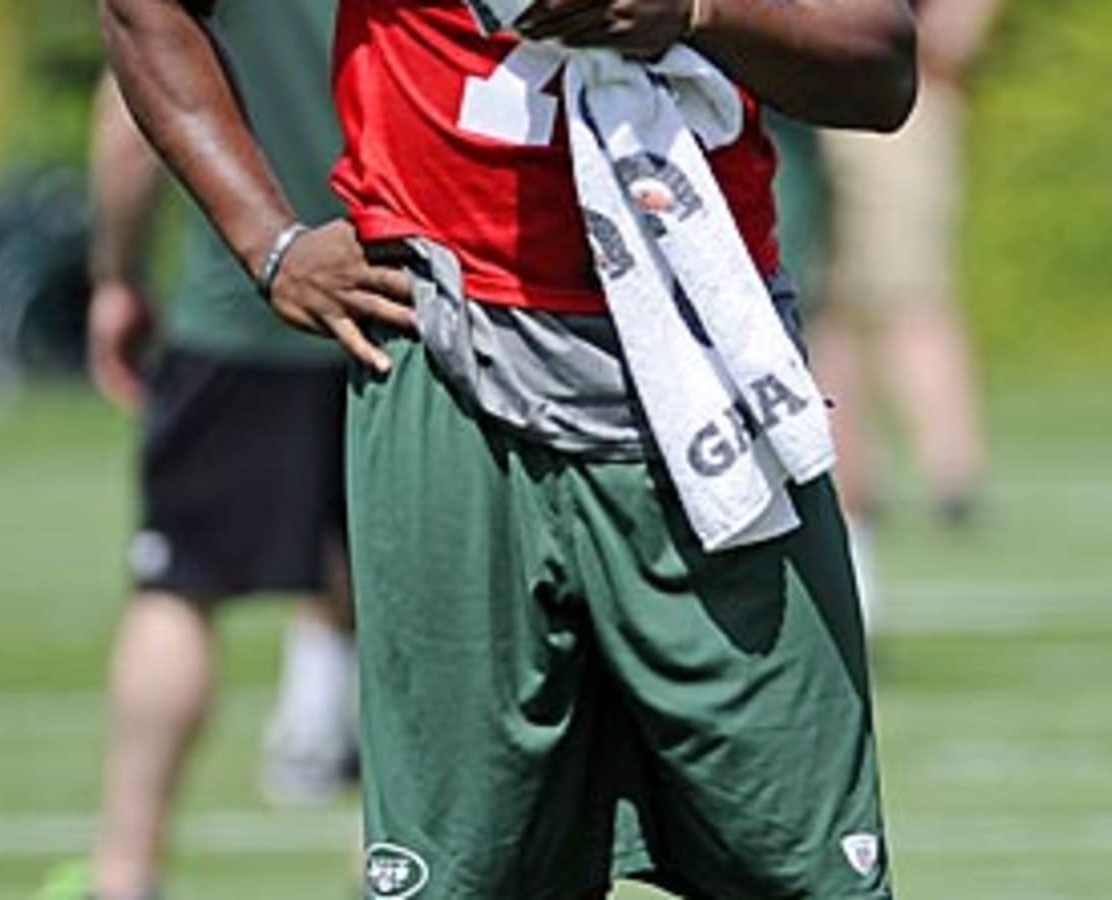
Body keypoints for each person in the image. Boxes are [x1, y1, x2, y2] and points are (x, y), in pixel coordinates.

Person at [100, 0, 917, 897]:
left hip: (710, 369)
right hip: (453, 368)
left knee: (805, 866)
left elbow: (878, 63)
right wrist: (268, 242)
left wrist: (691, 12)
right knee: (461, 873)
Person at [43, 3, 357, 898]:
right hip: (406, 304)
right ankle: (396, 862)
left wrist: (116, 275)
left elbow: (139, 107)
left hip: (244, 307)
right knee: (412, 609)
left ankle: (125, 873)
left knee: (179, 588)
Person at [815, 0, 1010, 628]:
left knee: (907, 291)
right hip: (778, 83)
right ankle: (849, 499)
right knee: (816, 306)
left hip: (887, 78)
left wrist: (943, 38)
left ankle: (950, 479)